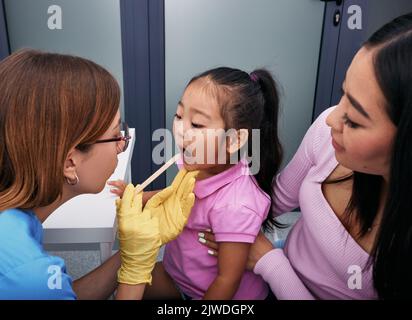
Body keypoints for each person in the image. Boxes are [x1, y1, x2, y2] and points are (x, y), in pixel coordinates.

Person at [201, 13, 412, 299]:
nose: (331, 120)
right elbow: (276, 198)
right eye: (343, 94)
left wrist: (271, 264)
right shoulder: (329, 138)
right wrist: (221, 203)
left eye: (355, 120)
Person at [0, 49, 197, 300]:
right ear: (70, 163)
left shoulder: (16, 221)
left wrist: (130, 252)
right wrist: (135, 271)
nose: (121, 144)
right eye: (116, 133)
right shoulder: (29, 274)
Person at [111, 67, 283, 299]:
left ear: (234, 140)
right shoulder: (200, 162)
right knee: (123, 276)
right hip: (177, 275)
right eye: (180, 116)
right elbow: (176, 193)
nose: (181, 130)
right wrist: (140, 197)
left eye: (198, 124)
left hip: (211, 294)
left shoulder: (237, 206)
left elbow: (227, 281)